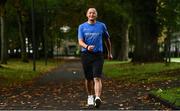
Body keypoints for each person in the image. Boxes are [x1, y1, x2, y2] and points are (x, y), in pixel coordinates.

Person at [78, 8, 113, 108]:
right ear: (87, 15)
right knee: (89, 78)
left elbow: (107, 40)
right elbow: (80, 41)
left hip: (98, 55)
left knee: (97, 77)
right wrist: (87, 47)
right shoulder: (82, 27)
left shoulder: (101, 26)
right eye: (90, 13)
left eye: (93, 13)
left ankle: (97, 97)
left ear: (96, 15)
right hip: (86, 54)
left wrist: (109, 52)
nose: (91, 14)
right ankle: (90, 96)